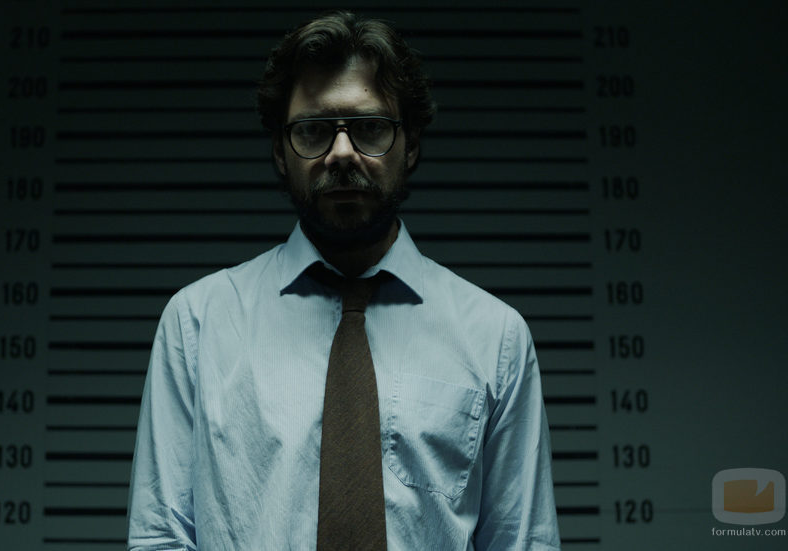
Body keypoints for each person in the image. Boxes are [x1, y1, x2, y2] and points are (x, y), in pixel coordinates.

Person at [128, 11, 560, 551]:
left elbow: (522, 542)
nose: (341, 153)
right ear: (279, 151)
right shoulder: (198, 324)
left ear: (411, 144)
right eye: (312, 130)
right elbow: (161, 538)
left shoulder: (496, 337)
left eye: (370, 127)